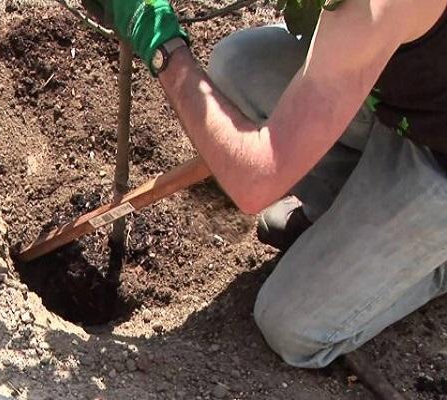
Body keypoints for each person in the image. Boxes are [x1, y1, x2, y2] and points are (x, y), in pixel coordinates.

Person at [81, 0, 447, 368]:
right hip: (403, 100)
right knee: (239, 65)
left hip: (437, 158)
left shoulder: (377, 7)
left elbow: (254, 184)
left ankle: (432, 264)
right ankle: (348, 219)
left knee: (291, 324)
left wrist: (162, 47)